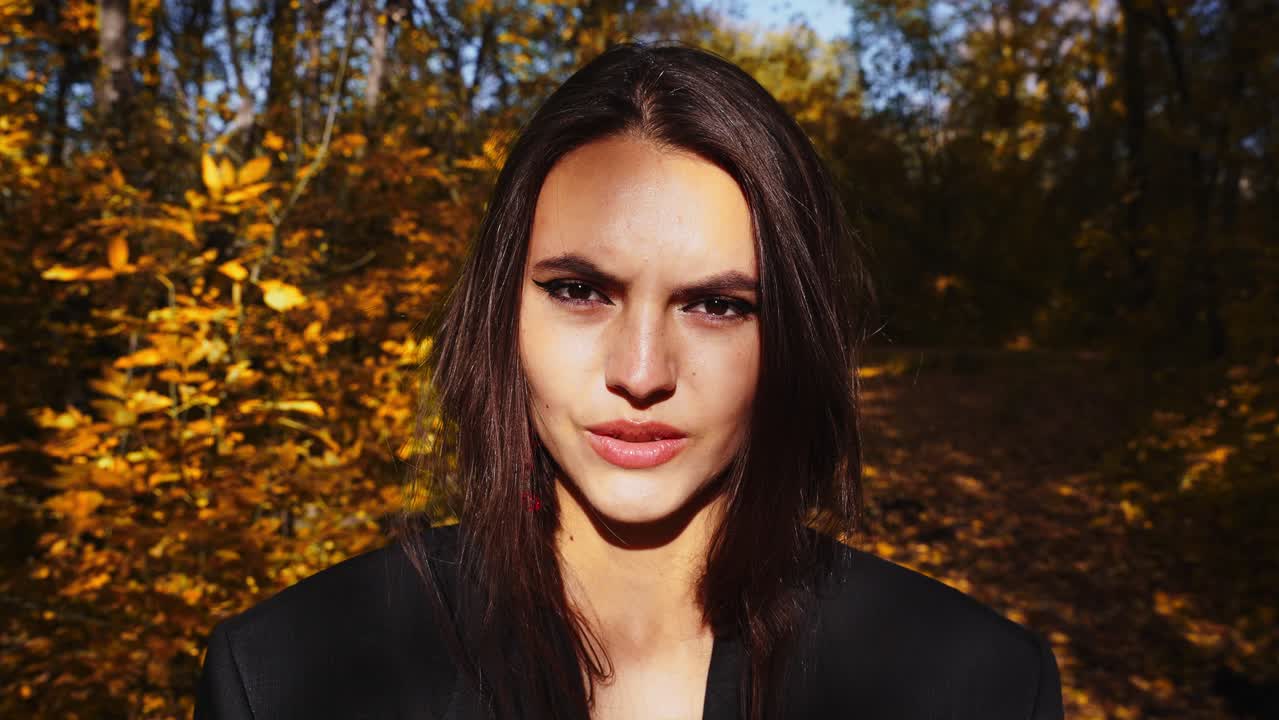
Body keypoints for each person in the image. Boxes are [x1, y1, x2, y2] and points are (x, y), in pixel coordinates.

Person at [194, 41, 1064, 720]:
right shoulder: (285, 677)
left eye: (717, 305)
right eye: (579, 292)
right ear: (503, 312)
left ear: (793, 338)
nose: (640, 373)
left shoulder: (972, 685)